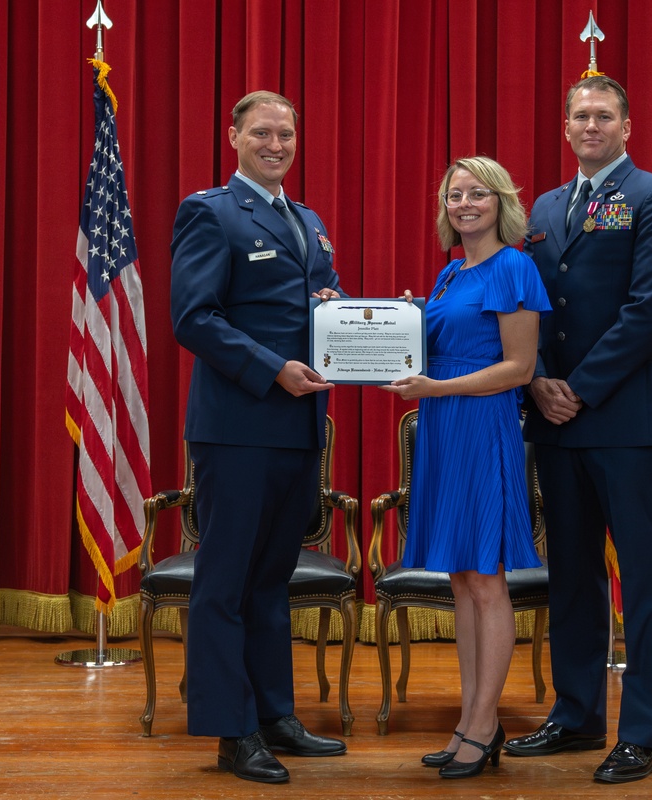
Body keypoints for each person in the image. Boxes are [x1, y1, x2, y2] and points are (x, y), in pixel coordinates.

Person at [502, 75, 652, 784]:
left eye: (603, 115)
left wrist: (574, 389)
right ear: (564, 126)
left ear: (626, 125)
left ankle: (643, 732)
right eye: (579, 115)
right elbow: (531, 305)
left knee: (644, 577)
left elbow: (650, 309)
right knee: (572, 575)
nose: (590, 125)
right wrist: (539, 378)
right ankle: (576, 714)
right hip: (554, 419)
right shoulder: (546, 207)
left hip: (623, 420)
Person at [170, 90, 347, 785]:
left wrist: (345, 321)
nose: (276, 145)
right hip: (239, 426)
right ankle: (232, 728)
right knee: (226, 582)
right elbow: (194, 317)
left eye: (286, 135)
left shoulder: (308, 220)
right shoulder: (211, 212)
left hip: (299, 426)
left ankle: (276, 713)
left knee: (273, 580)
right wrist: (272, 368)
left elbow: (319, 305)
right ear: (234, 137)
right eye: (262, 133)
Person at [382, 156, 551, 780]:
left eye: (478, 194)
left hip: (481, 428)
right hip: (444, 430)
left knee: (486, 579)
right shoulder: (451, 274)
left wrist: (436, 389)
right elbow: (438, 346)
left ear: (501, 202)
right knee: (461, 581)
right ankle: (468, 722)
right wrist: (402, 317)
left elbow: (519, 369)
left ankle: (485, 725)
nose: (465, 204)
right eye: (455, 195)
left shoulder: (514, 266)